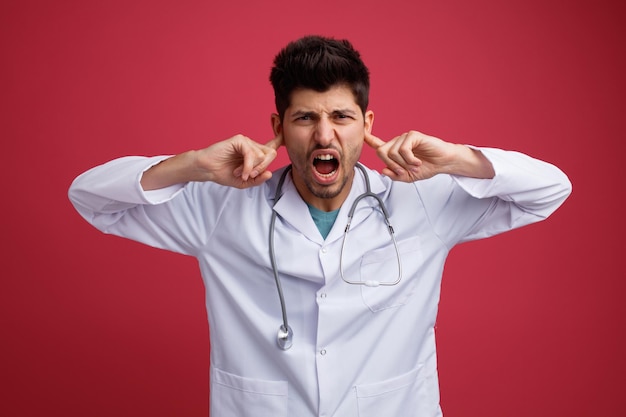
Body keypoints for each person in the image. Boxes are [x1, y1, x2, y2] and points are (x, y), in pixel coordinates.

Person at [68, 35, 571, 417]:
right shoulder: (222, 208)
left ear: (368, 126)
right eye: (305, 117)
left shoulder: (420, 199)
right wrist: (193, 164)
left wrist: (458, 158)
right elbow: (91, 199)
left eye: (341, 116)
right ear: (278, 129)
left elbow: (550, 189)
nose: (324, 134)